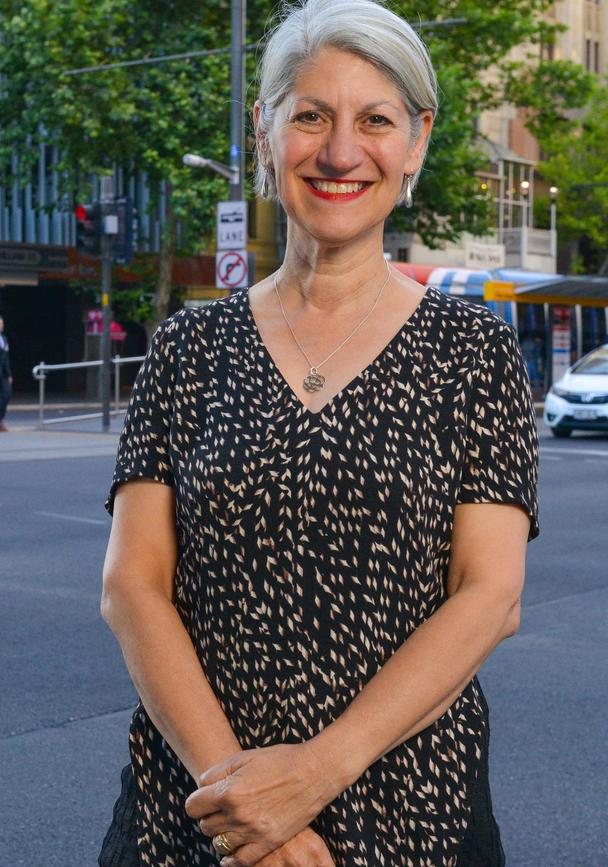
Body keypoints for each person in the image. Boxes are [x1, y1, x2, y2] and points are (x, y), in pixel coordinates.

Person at [100, 1, 540, 865]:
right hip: (192, 815)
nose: (341, 152)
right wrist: (248, 808)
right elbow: (133, 586)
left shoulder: (476, 352)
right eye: (310, 116)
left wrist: (310, 777)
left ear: (415, 141)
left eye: (375, 119)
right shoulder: (188, 348)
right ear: (265, 133)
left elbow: (490, 595)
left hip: (416, 817)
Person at [0, 314, 12, 432]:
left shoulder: (4, 339)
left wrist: (9, 374)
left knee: (6, 395)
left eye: (2, 324)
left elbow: (6, 358)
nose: (2, 326)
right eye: (0, 324)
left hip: (3, 373)